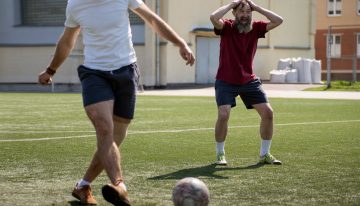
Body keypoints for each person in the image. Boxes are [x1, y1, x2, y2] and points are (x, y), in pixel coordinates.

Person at [38, 0, 195, 205]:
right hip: (94, 73)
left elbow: (152, 20)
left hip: (126, 71)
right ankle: (120, 186)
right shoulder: (75, 4)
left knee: (114, 137)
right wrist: (50, 70)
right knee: (104, 130)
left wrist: (180, 42)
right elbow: (68, 40)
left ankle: (83, 185)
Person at [209, 0, 283, 166]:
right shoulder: (226, 26)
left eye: (248, 12)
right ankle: (220, 154)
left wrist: (256, 7)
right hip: (225, 80)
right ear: (235, 13)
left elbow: (279, 20)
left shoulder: (256, 28)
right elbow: (213, 17)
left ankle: (265, 154)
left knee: (268, 113)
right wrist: (230, 4)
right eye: (241, 12)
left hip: (248, 80)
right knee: (223, 114)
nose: (245, 15)